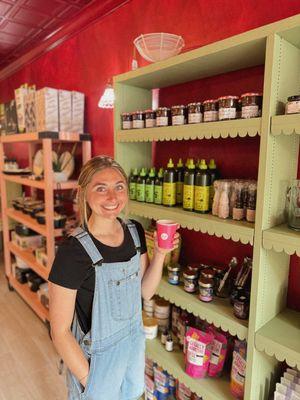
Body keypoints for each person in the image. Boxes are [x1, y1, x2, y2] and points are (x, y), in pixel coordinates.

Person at [48, 155, 179, 400]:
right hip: (97, 362)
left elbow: (145, 292)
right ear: (84, 193)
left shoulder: (135, 233)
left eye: (119, 187)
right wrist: (91, 381)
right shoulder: (73, 253)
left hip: (132, 348)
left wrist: (160, 253)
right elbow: (60, 331)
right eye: (101, 188)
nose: (112, 197)